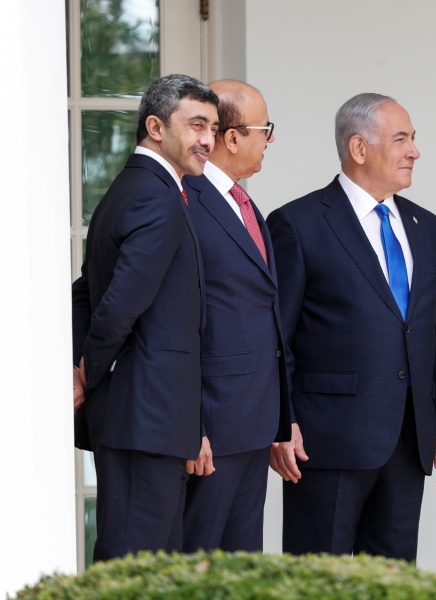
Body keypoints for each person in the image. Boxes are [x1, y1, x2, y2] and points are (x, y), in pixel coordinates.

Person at [266, 92, 436, 561]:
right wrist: (282, 421)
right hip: (325, 442)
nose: (414, 151)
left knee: (394, 583)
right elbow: (277, 338)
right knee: (321, 586)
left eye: (413, 139)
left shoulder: (427, 226)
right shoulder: (298, 224)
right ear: (359, 149)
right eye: (401, 139)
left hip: (408, 441)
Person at [71, 73, 219, 561]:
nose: (207, 140)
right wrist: (88, 371)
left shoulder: (137, 188)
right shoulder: (155, 194)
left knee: (146, 565)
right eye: (196, 125)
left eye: (213, 128)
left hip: (149, 416)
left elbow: (86, 291)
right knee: (136, 564)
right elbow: (117, 304)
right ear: (155, 126)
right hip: (145, 414)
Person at [180, 80, 293, 552]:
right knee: (200, 567)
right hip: (212, 427)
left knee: (241, 569)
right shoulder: (186, 198)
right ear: (232, 138)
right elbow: (180, 319)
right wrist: (192, 425)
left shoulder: (241, 202)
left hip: (253, 422)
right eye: (265, 129)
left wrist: (281, 420)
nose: (269, 139)